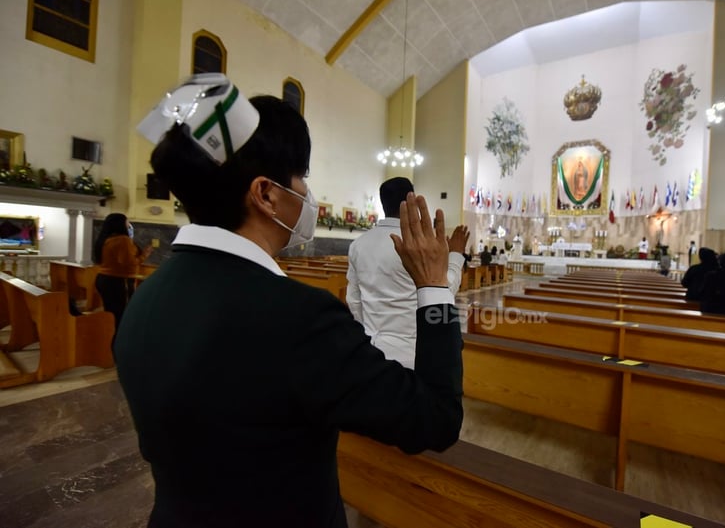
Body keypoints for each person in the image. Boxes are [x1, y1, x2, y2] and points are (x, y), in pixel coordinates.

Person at [118, 74, 463, 527]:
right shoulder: (300, 318)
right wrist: (436, 284)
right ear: (266, 194)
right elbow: (435, 419)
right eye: (302, 176)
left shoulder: (146, 297)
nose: (306, 191)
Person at [346, 176, 469, 369]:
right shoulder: (419, 246)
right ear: (412, 199)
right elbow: (443, 292)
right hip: (412, 352)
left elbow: (354, 300)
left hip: (371, 349)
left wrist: (371, 333)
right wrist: (456, 255)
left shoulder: (358, 245)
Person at [93, 212, 153, 330]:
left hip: (104, 278)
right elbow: (129, 263)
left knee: (112, 312)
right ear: (120, 224)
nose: (129, 224)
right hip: (119, 281)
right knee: (122, 314)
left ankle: (109, 337)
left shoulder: (107, 239)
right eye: (127, 221)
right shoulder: (122, 240)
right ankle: (119, 340)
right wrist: (144, 255)